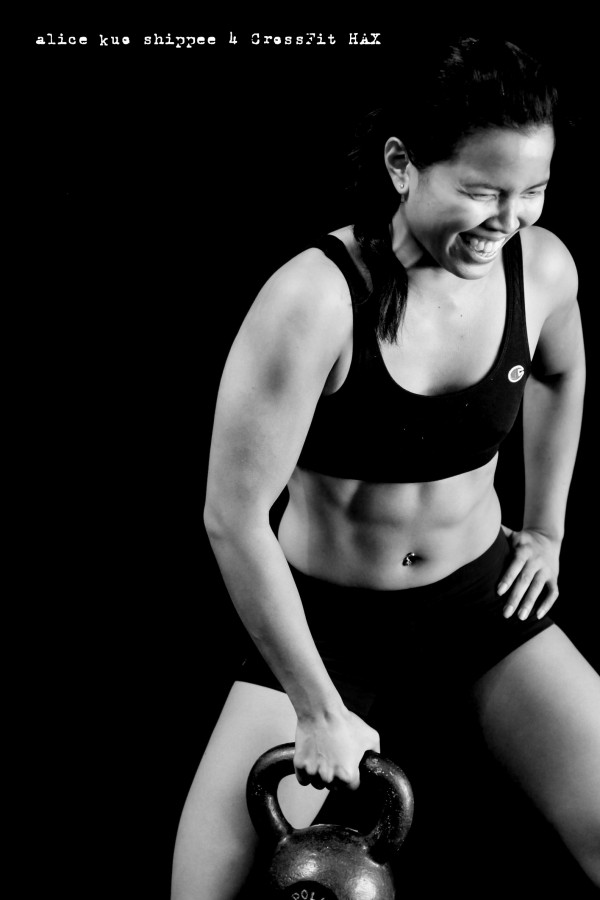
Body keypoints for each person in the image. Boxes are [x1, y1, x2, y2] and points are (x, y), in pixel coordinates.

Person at [171, 37, 599, 898]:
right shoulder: (315, 299)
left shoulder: (542, 268)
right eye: (482, 191)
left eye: (533, 191)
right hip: (328, 623)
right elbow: (232, 516)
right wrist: (315, 705)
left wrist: (545, 529)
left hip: (479, 602)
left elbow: (561, 372)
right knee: (204, 888)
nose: (510, 218)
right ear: (403, 165)